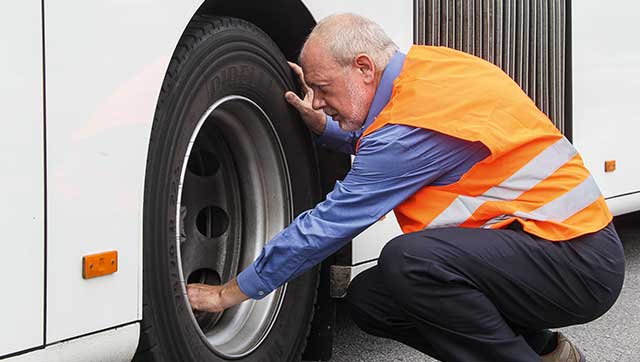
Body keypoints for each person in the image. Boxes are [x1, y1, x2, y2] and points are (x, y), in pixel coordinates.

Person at [187, 13, 625, 362]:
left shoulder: (408, 129)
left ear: (362, 68)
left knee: (409, 261)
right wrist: (328, 129)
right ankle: (545, 351)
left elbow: (327, 225)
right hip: (548, 245)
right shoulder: (425, 72)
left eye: (322, 88)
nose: (316, 100)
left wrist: (232, 292)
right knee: (372, 300)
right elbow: (404, 141)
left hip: (579, 263)